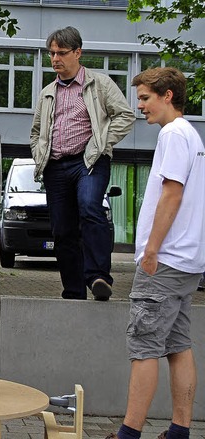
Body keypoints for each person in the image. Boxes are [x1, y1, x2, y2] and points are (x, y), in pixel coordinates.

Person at [107, 67, 205, 439]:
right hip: (187, 262)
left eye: (146, 98)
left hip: (165, 261)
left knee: (144, 347)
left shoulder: (174, 133)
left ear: (167, 96)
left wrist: (151, 250)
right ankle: (179, 431)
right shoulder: (192, 135)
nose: (140, 106)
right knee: (178, 345)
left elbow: (172, 193)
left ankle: (128, 434)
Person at [30, 26, 135, 301]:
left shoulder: (99, 84)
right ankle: (74, 292)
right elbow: (36, 131)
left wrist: (100, 144)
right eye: (51, 53)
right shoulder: (47, 92)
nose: (55, 59)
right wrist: (38, 152)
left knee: (90, 207)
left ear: (78, 53)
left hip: (89, 162)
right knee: (62, 231)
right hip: (55, 166)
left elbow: (125, 115)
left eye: (61, 53)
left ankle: (98, 277)